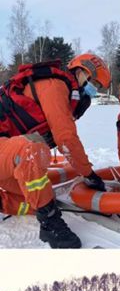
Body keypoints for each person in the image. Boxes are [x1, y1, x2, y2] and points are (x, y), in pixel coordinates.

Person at [0, 54, 111, 248]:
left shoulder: (62, 90)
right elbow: (66, 138)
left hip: (5, 154)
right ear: (82, 72)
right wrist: (89, 174)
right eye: (94, 84)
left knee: (40, 195)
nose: (94, 91)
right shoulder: (54, 85)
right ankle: (50, 224)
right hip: (9, 151)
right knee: (30, 151)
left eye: (98, 88)